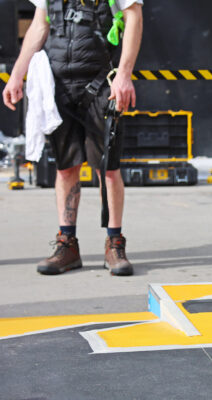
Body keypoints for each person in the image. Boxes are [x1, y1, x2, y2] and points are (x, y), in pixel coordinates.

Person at [2, 0, 143, 276]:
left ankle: (114, 243)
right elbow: (40, 24)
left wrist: (124, 75)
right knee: (66, 168)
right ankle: (67, 245)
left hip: (103, 83)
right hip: (59, 85)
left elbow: (134, 18)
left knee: (109, 169)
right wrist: (17, 74)